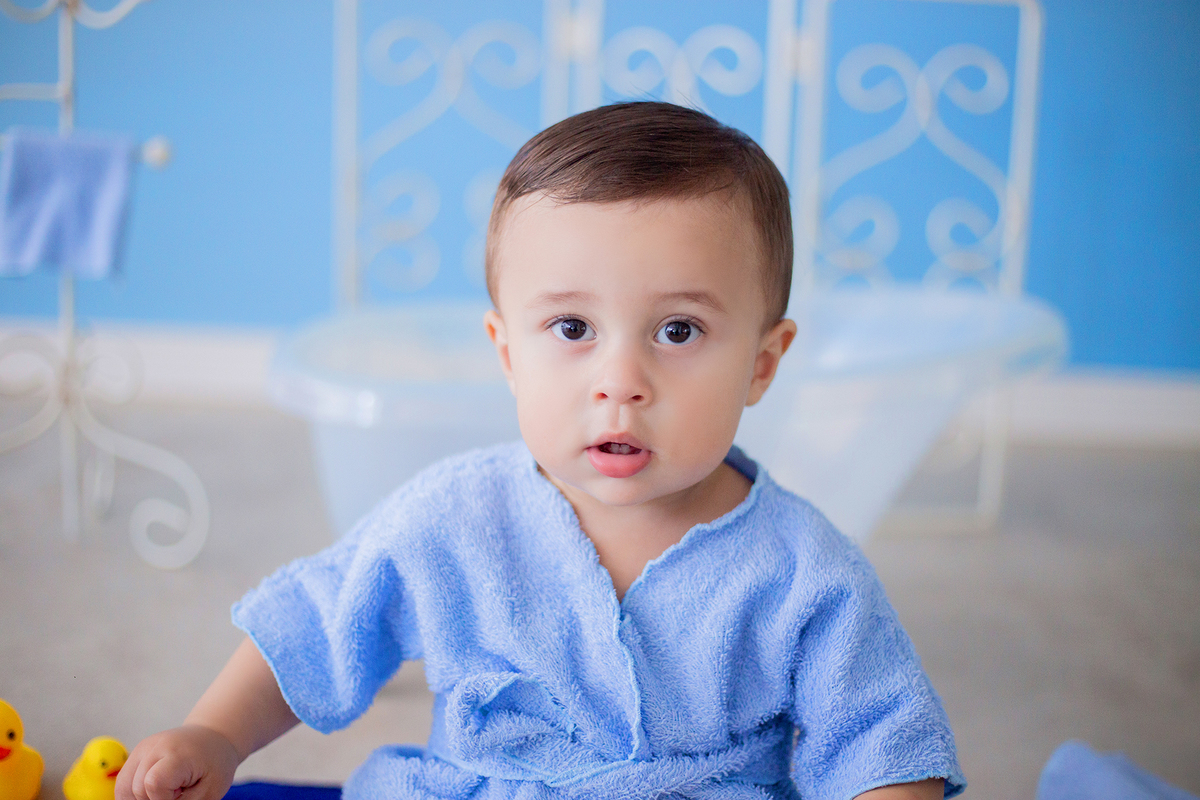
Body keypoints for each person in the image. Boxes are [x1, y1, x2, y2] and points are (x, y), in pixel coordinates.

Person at [115, 102, 965, 800]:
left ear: (762, 362)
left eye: (678, 330)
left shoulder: (802, 569)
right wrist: (216, 733)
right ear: (508, 352)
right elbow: (315, 623)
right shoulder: (457, 515)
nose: (620, 380)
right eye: (572, 328)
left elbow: (883, 742)